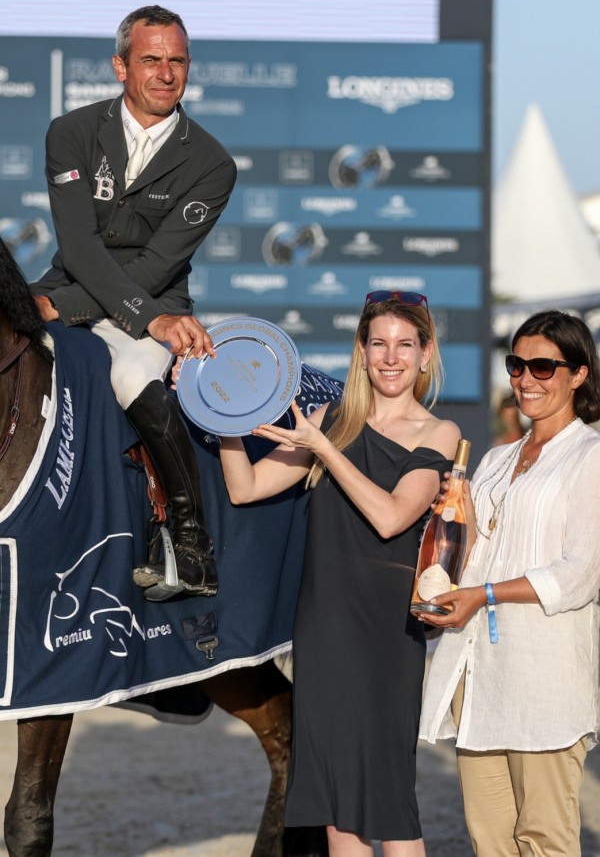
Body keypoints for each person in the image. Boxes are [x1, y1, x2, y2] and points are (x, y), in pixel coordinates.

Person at [218, 290, 461, 856]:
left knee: (390, 802)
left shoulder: (438, 432)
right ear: (362, 350)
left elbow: (392, 517)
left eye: (405, 345)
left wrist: (325, 449)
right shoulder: (329, 420)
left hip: (386, 631)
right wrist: (223, 418)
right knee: (335, 808)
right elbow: (245, 487)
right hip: (324, 624)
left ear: (426, 354)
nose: (391, 358)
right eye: (379, 344)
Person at [31, 5, 237, 596]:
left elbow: (155, 265)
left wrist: (77, 309)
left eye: (178, 61)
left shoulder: (213, 163)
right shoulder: (71, 132)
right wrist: (59, 302)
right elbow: (80, 247)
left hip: (154, 303)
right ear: (121, 66)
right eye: (151, 60)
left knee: (129, 377)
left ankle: (190, 543)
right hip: (73, 286)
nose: (166, 74)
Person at [418, 309, 600, 857]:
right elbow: (478, 557)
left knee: (544, 841)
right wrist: (458, 533)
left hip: (545, 681)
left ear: (578, 374)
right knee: (490, 842)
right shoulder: (496, 459)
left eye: (543, 367)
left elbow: (582, 573)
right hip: (479, 677)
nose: (526, 379)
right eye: (517, 365)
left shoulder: (590, 456)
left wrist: (484, 595)